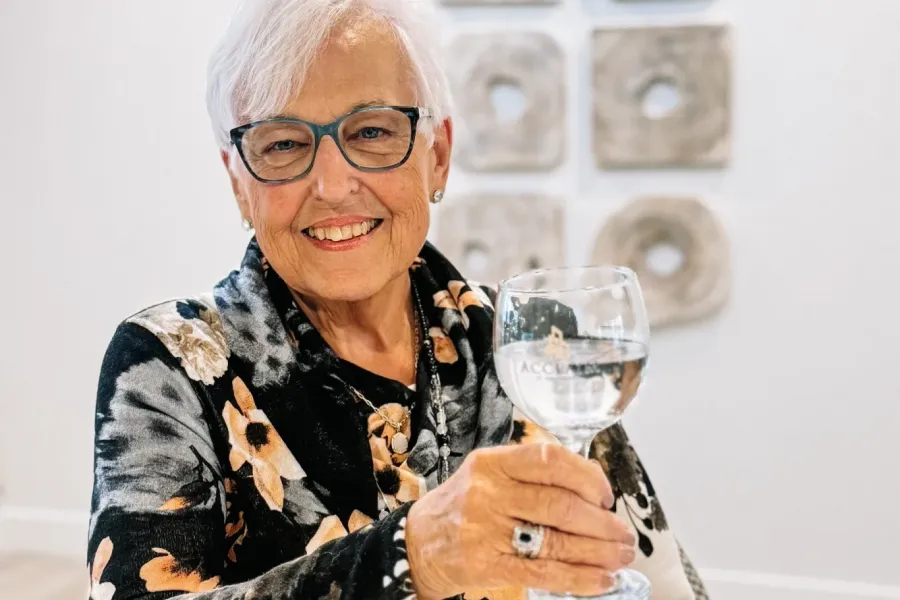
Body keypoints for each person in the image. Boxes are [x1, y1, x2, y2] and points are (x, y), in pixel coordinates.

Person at [86, 1, 708, 599]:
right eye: (282, 145)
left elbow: (658, 581)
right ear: (238, 183)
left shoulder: (529, 338)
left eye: (373, 131)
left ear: (436, 156)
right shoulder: (168, 365)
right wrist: (416, 557)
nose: (331, 186)